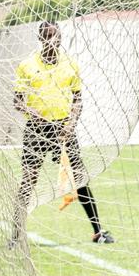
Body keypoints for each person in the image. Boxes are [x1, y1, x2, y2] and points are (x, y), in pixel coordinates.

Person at [11, 21, 114, 246]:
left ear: (61, 38)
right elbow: (17, 101)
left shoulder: (70, 64)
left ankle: (98, 231)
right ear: (40, 38)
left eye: (56, 36)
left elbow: (78, 99)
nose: (53, 40)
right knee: (28, 180)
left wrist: (71, 123)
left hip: (62, 129)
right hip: (36, 129)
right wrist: (32, 112)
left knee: (80, 178)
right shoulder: (27, 65)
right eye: (48, 35)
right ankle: (16, 236)